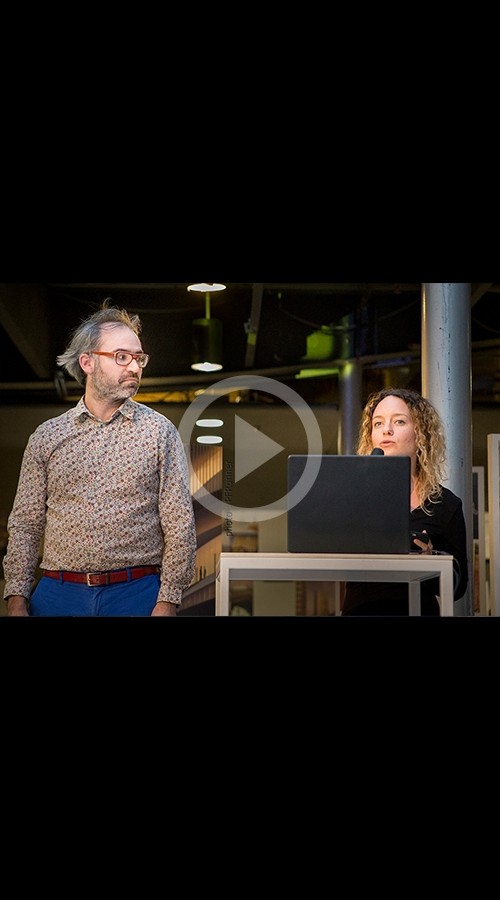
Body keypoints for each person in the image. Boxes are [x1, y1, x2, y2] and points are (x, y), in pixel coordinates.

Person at [2, 300, 197, 617]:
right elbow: (26, 524)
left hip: (137, 593)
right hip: (57, 594)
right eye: (121, 356)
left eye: (139, 358)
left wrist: (168, 600)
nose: (134, 367)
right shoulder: (47, 436)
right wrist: (16, 597)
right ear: (87, 362)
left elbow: (180, 525)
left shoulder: (159, 432)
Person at [341, 387, 468, 616]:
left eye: (399, 421)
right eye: (378, 423)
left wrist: (431, 561)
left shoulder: (445, 504)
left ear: (420, 434)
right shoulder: (354, 496)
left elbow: (459, 587)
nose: (386, 430)